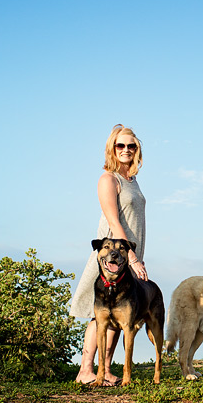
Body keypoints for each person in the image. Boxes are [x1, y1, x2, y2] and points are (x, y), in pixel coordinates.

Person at [71, 124, 148, 385]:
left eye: (131, 146)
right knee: (101, 312)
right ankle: (85, 371)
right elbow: (114, 223)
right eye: (120, 145)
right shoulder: (109, 179)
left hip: (129, 254)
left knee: (121, 311)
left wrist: (136, 255)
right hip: (112, 255)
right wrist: (133, 260)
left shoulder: (132, 180)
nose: (126, 150)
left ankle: (104, 371)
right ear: (112, 149)